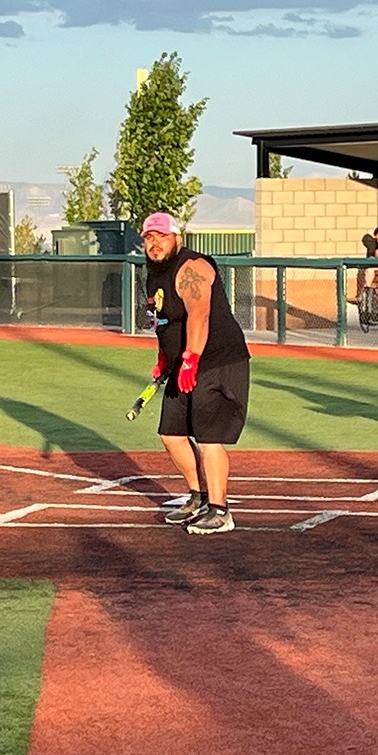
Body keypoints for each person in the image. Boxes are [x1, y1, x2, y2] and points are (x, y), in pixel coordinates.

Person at [142, 211, 251, 534]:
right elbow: (163, 320)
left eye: (162, 236)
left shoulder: (193, 267)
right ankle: (198, 496)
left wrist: (190, 358)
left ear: (177, 237)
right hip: (183, 362)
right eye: (149, 238)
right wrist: (165, 358)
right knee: (171, 433)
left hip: (217, 360)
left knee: (209, 437)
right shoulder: (154, 275)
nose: (155, 243)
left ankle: (220, 511)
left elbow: (199, 315)